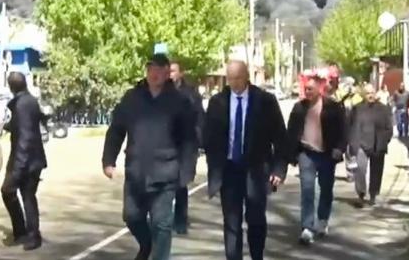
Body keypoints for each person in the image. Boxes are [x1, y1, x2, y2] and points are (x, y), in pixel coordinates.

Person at [101, 53, 197, 260]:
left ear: (166, 73)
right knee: (132, 217)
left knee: (162, 224)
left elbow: (189, 139)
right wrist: (108, 160)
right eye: (151, 69)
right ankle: (147, 246)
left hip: (166, 173)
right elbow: (116, 130)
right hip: (136, 171)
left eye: (159, 70)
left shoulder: (179, 101)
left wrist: (187, 171)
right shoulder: (132, 98)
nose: (154, 74)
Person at [203, 61, 288, 260]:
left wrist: (279, 169)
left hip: (257, 170)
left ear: (246, 76)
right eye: (230, 78)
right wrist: (214, 166)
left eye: (238, 78)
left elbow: (280, 137)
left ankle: (256, 255)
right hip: (229, 170)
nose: (234, 83)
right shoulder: (218, 102)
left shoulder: (265, 101)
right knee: (231, 222)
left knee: (256, 220)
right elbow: (209, 137)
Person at [285, 76, 347, 246]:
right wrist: (291, 154)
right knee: (307, 190)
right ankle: (306, 227)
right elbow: (291, 132)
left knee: (326, 189)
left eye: (311, 89)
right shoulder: (299, 108)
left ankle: (322, 219)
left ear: (320, 89)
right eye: (306, 89)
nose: (307, 92)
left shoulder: (333, 108)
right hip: (306, 154)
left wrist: (339, 149)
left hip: (327, 155)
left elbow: (343, 130)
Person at [1, 72, 48, 250]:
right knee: (24, 194)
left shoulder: (22, 105)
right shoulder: (28, 101)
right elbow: (28, 124)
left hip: (26, 160)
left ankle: (31, 235)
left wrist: (19, 167)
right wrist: (10, 125)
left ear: (11, 87)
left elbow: (25, 137)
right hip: (31, 158)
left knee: (18, 193)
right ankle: (23, 232)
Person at [169, 61, 204, 235]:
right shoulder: (161, 92)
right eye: (168, 71)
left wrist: (201, 142)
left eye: (173, 71)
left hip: (186, 145)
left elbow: (200, 118)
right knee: (166, 182)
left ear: (180, 73)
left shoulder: (190, 94)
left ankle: (180, 220)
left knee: (181, 183)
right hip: (166, 145)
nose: (170, 74)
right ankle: (163, 218)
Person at [348, 83, 393, 207]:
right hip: (361, 144)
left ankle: (373, 194)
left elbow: (389, 127)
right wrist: (352, 143)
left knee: (377, 171)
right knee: (360, 170)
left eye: (372, 93)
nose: (371, 95)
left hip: (378, 145)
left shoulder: (383, 109)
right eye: (368, 93)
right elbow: (350, 126)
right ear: (363, 95)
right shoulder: (357, 109)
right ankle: (361, 194)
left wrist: (385, 140)